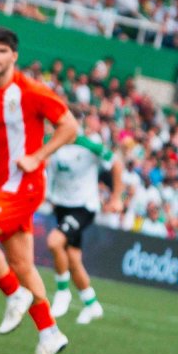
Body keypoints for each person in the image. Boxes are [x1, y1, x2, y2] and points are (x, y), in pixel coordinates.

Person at [0, 27, 78, 354]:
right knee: (23, 265)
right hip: (2, 185)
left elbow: (70, 127)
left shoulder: (30, 90)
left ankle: (14, 293)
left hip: (25, 186)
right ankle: (50, 334)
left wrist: (38, 156)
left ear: (14, 56)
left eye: (2, 51)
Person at [45, 117, 125, 323]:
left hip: (83, 208)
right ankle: (92, 304)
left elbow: (116, 164)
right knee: (72, 259)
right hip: (62, 206)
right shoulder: (52, 143)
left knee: (55, 242)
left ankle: (62, 292)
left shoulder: (89, 146)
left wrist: (116, 197)